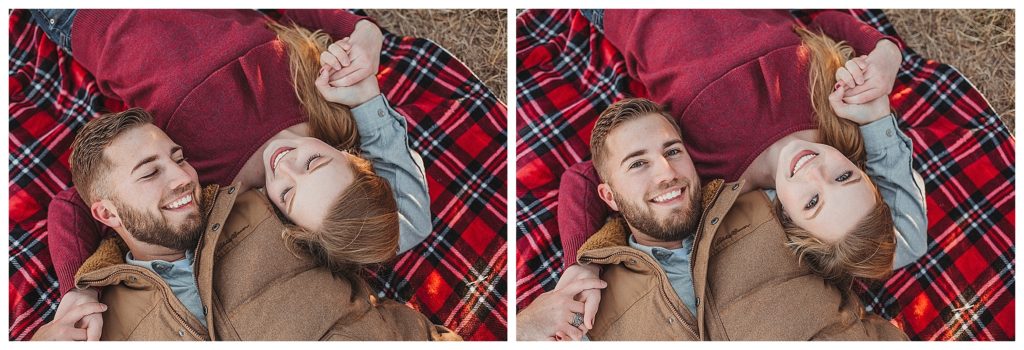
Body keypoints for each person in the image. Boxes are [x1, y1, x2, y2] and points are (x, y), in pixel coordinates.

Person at [30, 9, 432, 298]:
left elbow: (77, 205)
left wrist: (75, 294)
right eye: (314, 162)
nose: (285, 164)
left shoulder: (209, 180)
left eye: (287, 193)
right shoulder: (326, 97)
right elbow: (410, 222)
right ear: (350, 157)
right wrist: (363, 31)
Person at [559, 9, 927, 286]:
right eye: (845, 176)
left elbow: (586, 179)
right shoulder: (838, 105)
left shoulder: (712, 172)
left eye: (812, 202)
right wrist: (885, 53)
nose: (815, 171)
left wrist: (580, 266)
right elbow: (909, 242)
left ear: (788, 221)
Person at [32, 109, 459, 341]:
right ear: (106, 215)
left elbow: (401, 220)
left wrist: (367, 102)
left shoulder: (261, 206)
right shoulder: (100, 326)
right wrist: (80, 289)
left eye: (179, 158)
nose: (183, 177)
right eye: (149, 173)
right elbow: (68, 203)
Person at [518, 98, 908, 341]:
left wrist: (876, 118)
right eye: (638, 163)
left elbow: (893, 236)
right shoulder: (589, 305)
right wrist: (527, 325)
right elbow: (580, 177)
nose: (666, 173)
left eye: (673, 151)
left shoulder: (775, 207)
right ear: (609, 197)